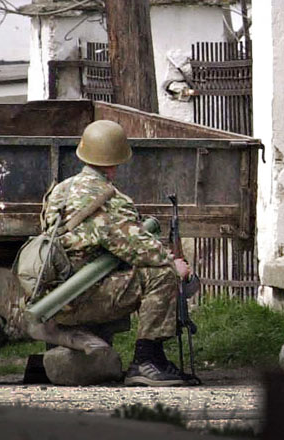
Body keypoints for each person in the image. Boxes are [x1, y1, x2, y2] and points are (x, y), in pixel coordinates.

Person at [32, 120, 195, 386]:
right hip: (80, 301)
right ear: (117, 160)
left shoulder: (60, 190)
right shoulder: (109, 200)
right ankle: (147, 360)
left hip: (52, 296)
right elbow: (139, 250)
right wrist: (174, 263)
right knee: (162, 274)